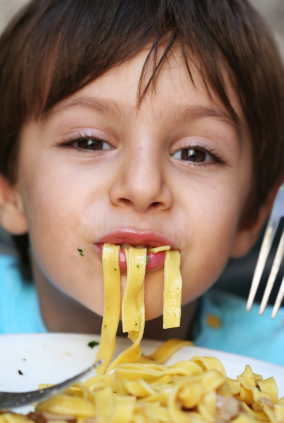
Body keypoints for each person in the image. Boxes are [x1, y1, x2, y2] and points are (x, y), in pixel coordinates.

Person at [0, 0, 283, 365]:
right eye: (89, 142)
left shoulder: (271, 370)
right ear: (10, 193)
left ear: (252, 216)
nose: (143, 187)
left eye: (195, 153)